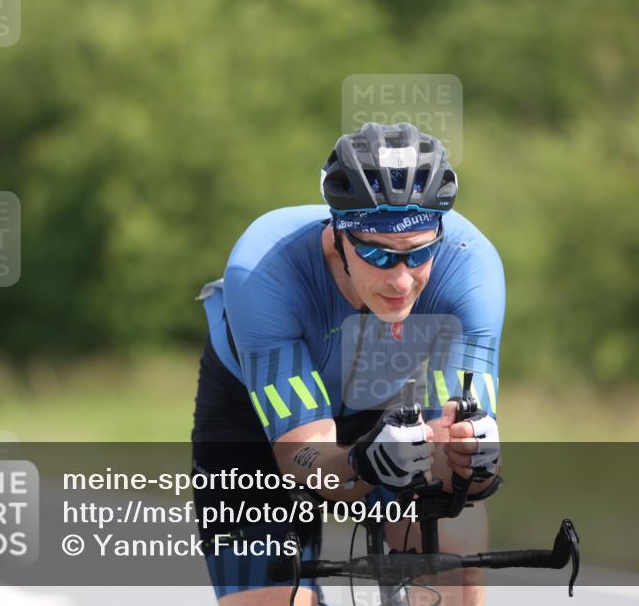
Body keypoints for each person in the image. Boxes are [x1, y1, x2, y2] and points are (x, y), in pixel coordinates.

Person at [192, 122, 505, 606]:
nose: (401, 281)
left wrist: (472, 464)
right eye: (378, 255)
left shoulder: (471, 268)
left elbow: (459, 459)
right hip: (252, 422)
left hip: (383, 399)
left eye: (420, 254)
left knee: (455, 567)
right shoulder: (262, 269)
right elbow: (302, 457)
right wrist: (363, 462)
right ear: (338, 234)